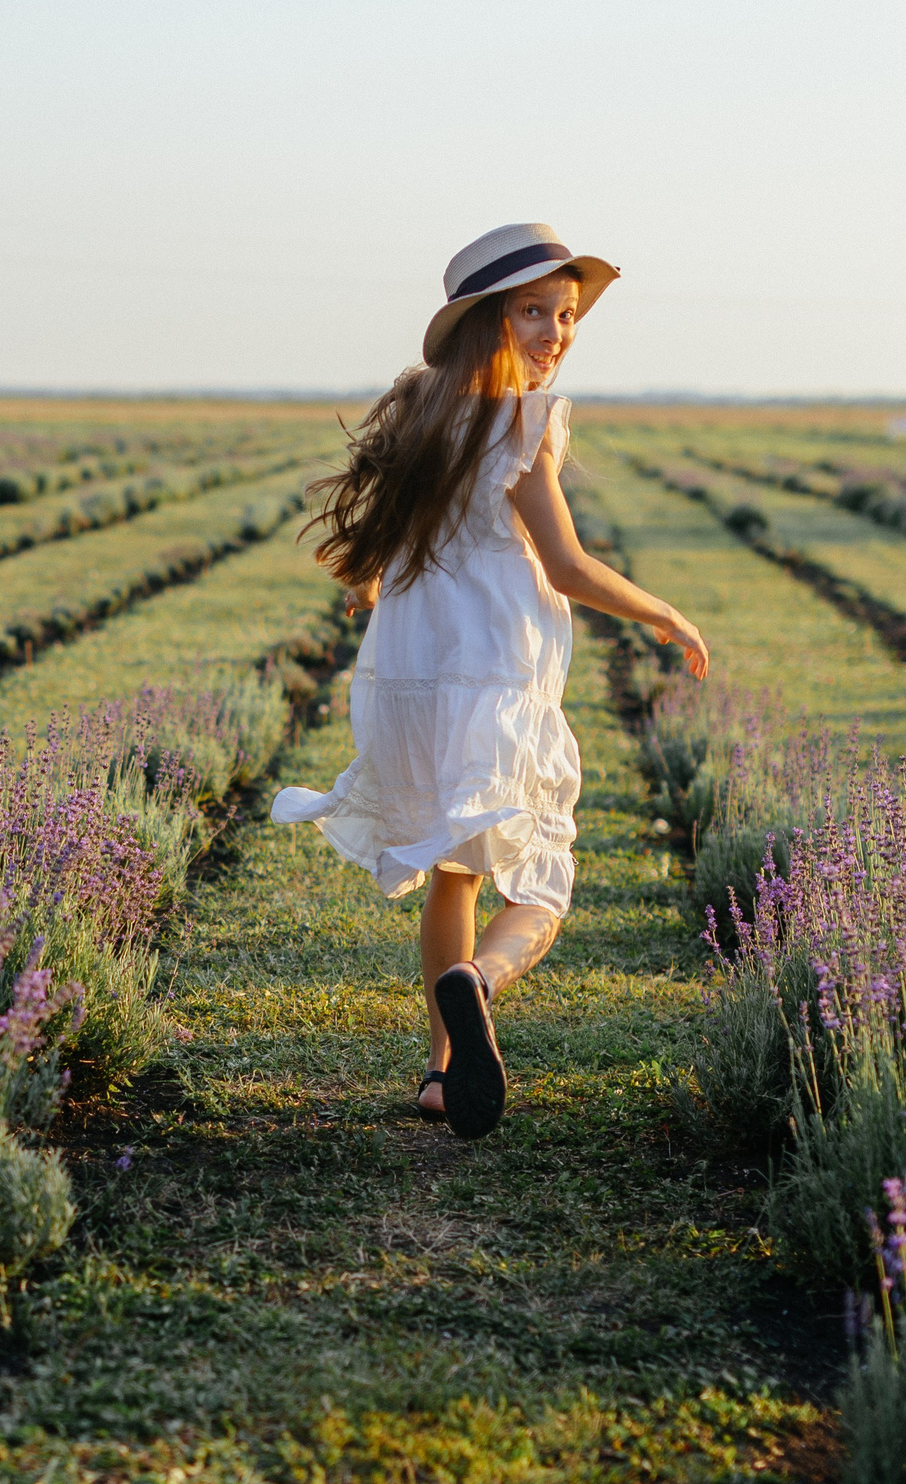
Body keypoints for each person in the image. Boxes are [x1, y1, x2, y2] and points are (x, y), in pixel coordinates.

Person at [272, 222, 711, 1139]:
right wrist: (663, 612)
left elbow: (371, 557)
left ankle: (441, 1073)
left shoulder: (423, 417)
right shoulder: (522, 422)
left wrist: (374, 593)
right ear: (486, 321)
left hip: (411, 679)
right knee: (540, 886)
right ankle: (484, 978)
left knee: (452, 873)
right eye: (535, 313)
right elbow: (566, 564)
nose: (557, 332)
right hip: (497, 677)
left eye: (568, 316)